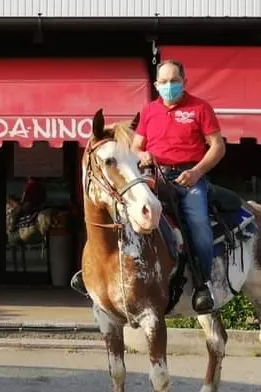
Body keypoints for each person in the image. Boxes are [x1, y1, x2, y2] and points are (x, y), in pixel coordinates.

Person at [70, 59, 226, 313]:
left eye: (174, 81)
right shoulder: (149, 111)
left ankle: (203, 284)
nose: (169, 86)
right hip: (154, 175)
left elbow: (218, 147)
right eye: (163, 82)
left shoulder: (200, 108)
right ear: (156, 85)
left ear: (185, 82)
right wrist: (142, 155)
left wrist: (196, 172)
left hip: (189, 178)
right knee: (120, 209)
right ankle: (92, 270)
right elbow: (137, 147)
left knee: (197, 222)